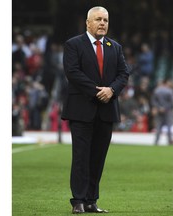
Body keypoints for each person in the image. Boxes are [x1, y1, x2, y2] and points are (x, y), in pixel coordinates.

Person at [61, 6, 129, 214]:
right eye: (98, 19)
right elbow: (72, 72)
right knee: (81, 157)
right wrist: (98, 91)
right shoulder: (73, 44)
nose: (102, 23)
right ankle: (78, 201)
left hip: (106, 111)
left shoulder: (114, 46)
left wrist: (112, 90)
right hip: (81, 110)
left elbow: (124, 73)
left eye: (105, 20)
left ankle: (91, 200)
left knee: (98, 158)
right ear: (87, 23)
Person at [151, 79, 173, 145]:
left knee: (158, 127)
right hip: (168, 111)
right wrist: (165, 108)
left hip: (158, 111)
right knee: (169, 126)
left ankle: (156, 141)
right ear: (166, 83)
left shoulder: (156, 91)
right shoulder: (169, 91)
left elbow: (153, 101)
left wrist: (159, 108)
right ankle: (169, 141)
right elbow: (172, 102)